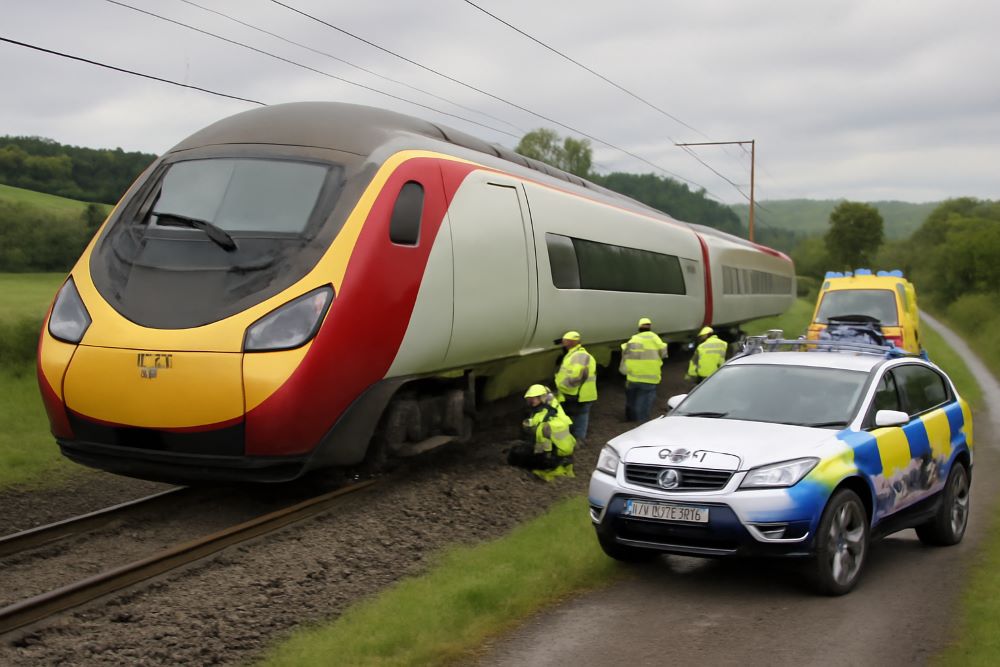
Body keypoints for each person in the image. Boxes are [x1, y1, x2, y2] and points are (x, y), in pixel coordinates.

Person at [507, 384, 576, 480]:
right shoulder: (553, 409)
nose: (530, 402)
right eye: (529, 399)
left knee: (517, 455)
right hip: (561, 452)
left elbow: (542, 450)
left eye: (533, 399)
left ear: (541, 398)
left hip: (551, 457)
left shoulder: (544, 425)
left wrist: (529, 450)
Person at [620, 317, 668, 421]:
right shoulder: (655, 339)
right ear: (650, 327)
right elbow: (664, 353)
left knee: (631, 399)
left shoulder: (634, 339)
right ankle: (641, 422)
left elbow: (625, 351)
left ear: (639, 327)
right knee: (644, 402)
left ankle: (631, 419)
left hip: (633, 377)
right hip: (650, 378)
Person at [553, 330, 597, 443]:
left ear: (570, 342)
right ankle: (575, 438)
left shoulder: (579, 356)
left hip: (580, 394)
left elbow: (576, 377)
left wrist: (563, 388)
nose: (563, 344)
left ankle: (579, 440)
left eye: (564, 341)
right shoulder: (575, 354)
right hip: (582, 393)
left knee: (581, 416)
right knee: (579, 415)